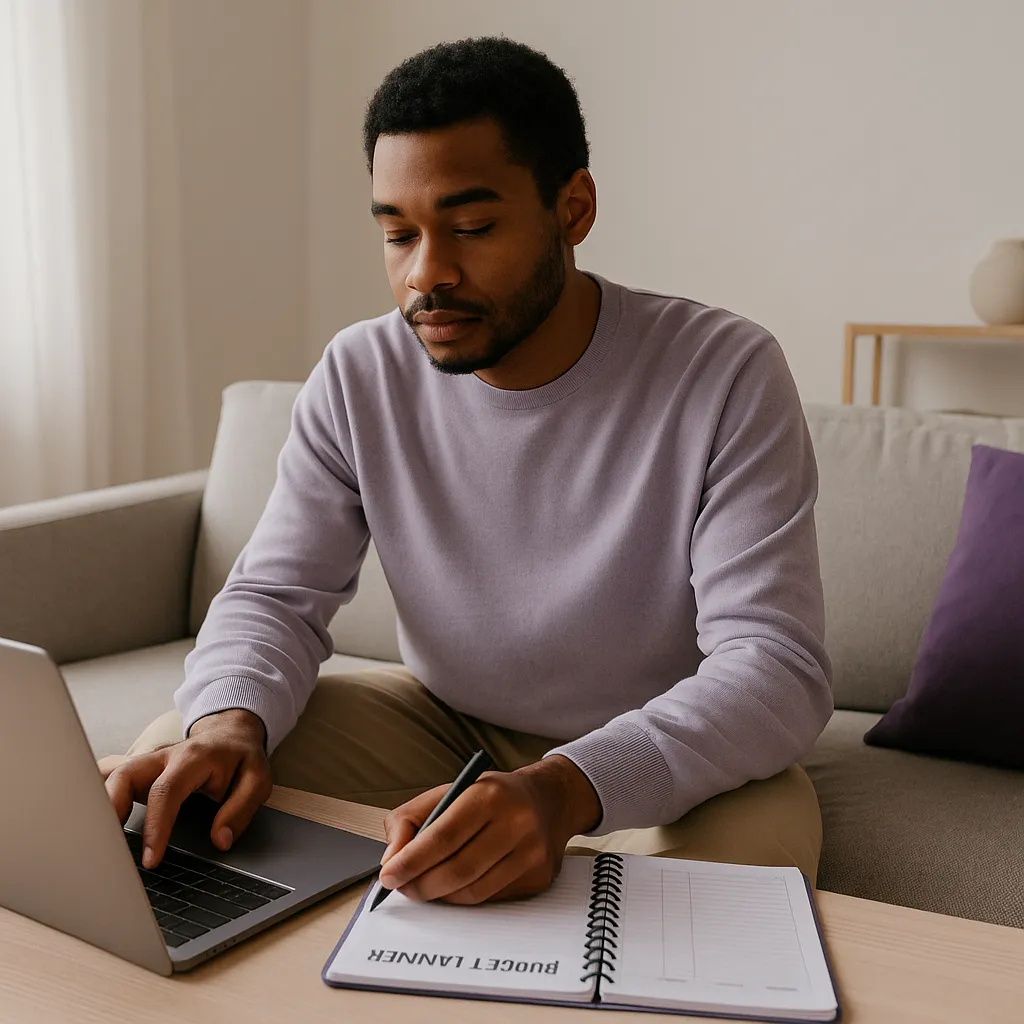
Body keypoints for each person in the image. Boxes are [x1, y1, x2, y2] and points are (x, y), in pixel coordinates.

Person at [102, 36, 833, 906]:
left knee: (740, 891)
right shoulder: (358, 373)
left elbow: (773, 667)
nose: (426, 274)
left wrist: (565, 788)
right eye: (397, 233)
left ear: (574, 208)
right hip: (441, 719)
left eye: (472, 228)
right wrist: (228, 718)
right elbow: (274, 597)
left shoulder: (724, 371)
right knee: (176, 770)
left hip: (658, 745)